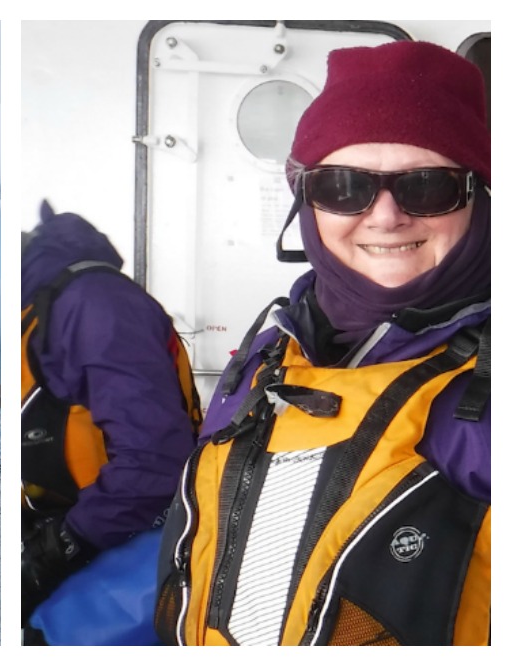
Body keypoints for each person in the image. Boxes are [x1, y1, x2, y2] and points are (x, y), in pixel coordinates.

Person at [155, 40, 490, 646]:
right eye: (342, 185)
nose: (385, 215)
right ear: (305, 201)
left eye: (427, 186)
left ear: (478, 199)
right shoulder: (274, 348)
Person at [21, 201, 202, 642]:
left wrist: (61, 548)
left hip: (119, 542)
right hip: (73, 521)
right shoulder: (42, 303)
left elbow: (154, 460)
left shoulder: (97, 304)